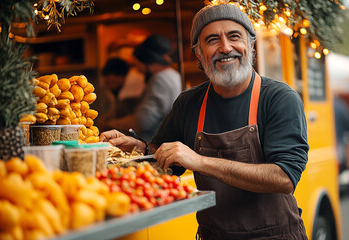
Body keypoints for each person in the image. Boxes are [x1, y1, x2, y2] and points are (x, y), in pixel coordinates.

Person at [101, 4, 308, 239]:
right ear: (199, 53)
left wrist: (200, 161)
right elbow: (165, 157)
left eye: (234, 37)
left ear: (251, 45)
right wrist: (138, 147)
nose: (225, 47)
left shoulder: (279, 98)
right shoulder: (189, 103)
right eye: (212, 40)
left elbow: (285, 177)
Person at [104, 34, 182, 142]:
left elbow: (143, 120)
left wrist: (107, 124)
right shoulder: (173, 75)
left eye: (139, 63)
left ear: (148, 61)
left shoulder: (160, 79)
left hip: (155, 147)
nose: (138, 69)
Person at [98, 57, 145, 132]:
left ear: (121, 77)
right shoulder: (118, 89)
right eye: (107, 84)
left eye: (111, 82)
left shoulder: (133, 90)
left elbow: (135, 121)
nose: (109, 87)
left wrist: (107, 123)